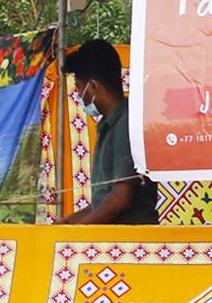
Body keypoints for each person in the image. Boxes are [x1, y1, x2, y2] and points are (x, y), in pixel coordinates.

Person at [63, 40, 159, 225]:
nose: (78, 94)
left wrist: (75, 235)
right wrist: (66, 224)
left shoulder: (127, 122)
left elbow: (120, 199)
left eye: (78, 87)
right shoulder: (107, 126)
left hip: (131, 239)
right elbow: (102, 205)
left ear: (93, 86)